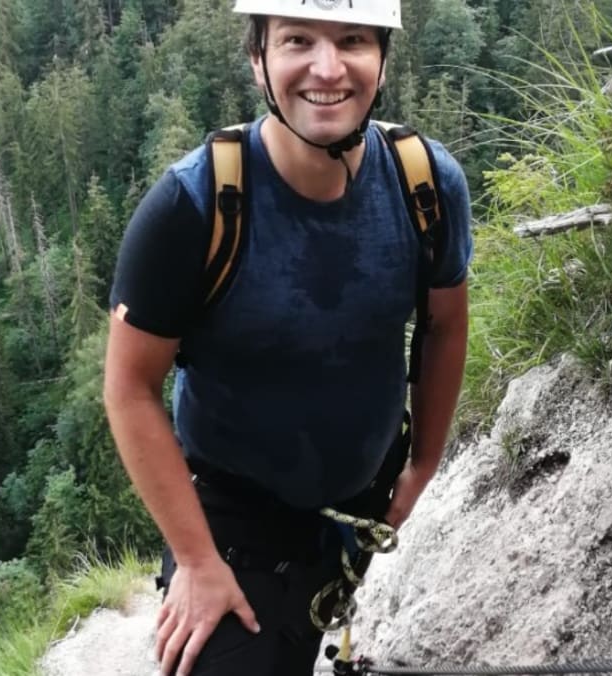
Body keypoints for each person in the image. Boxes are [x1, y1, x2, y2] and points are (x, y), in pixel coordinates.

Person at [102, 1, 472, 674]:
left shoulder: (425, 183)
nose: (327, 69)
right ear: (257, 60)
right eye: (298, 40)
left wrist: (422, 465)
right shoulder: (195, 205)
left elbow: (445, 326)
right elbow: (129, 387)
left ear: (381, 58)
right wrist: (196, 560)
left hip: (361, 495)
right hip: (233, 515)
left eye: (352, 41)